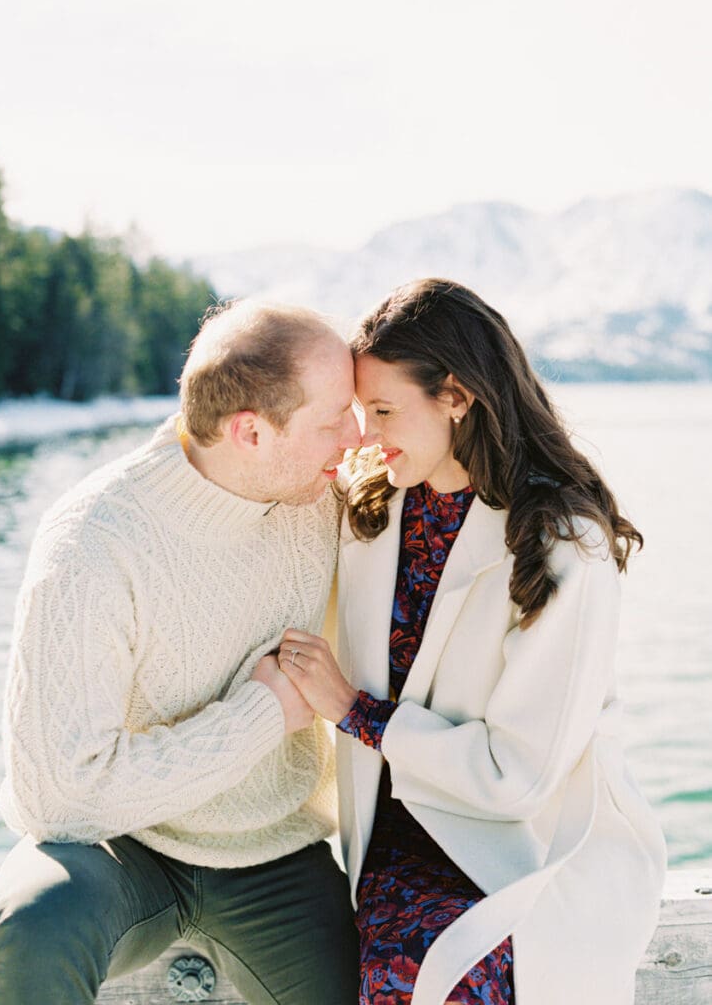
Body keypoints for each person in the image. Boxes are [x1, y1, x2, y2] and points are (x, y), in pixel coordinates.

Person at [278, 278, 667, 1005]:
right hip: (396, 831)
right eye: (361, 413)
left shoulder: (559, 543)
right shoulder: (370, 506)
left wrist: (354, 711)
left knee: (433, 976)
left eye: (385, 410)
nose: (365, 434)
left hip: (524, 841)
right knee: (399, 966)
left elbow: (515, 777)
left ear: (455, 397)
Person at [0, 299, 362, 1005]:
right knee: (36, 921)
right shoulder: (93, 540)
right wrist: (261, 713)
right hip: (121, 850)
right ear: (250, 431)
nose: (356, 435)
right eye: (333, 416)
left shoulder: (327, 500)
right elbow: (58, 794)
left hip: (277, 857)